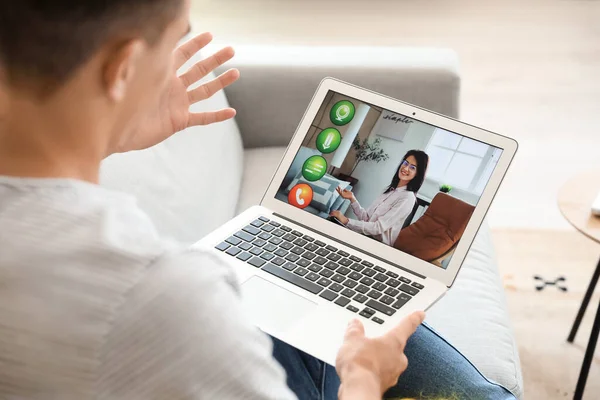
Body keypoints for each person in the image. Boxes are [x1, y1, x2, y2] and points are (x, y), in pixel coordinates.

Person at [0, 1, 517, 399]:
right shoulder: (159, 293)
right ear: (124, 68)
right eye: (173, 41)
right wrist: (363, 378)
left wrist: (110, 130)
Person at [330, 150, 429, 246]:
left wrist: (346, 220)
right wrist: (352, 199)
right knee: (332, 223)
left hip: (376, 245)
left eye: (412, 167)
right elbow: (367, 219)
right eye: (405, 163)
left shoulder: (407, 198)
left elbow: (378, 227)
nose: (406, 168)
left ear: (417, 174)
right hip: (365, 237)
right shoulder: (389, 190)